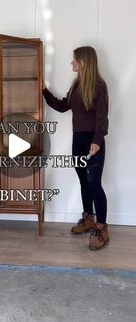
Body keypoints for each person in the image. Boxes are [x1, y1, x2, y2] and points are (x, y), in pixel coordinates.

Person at [43, 46, 109, 250]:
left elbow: (101, 118)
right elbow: (63, 106)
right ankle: (88, 218)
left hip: (93, 141)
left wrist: (97, 141)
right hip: (78, 141)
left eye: (74, 60)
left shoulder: (99, 86)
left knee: (94, 183)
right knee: (83, 181)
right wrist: (44, 92)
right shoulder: (76, 85)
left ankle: (101, 228)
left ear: (84, 62)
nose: (71, 63)